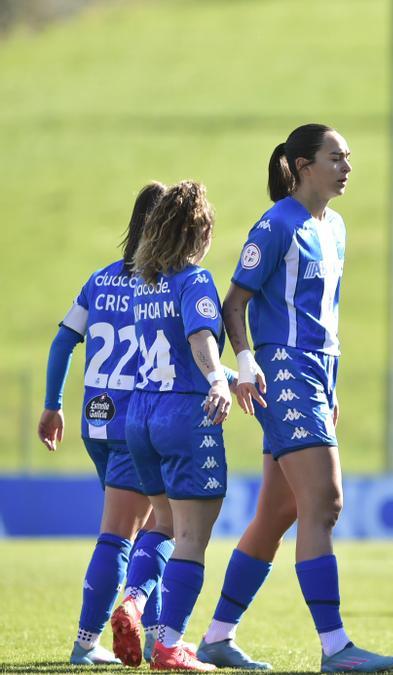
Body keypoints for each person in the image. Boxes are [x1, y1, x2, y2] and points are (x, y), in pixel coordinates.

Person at [198, 123, 393, 673]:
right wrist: (243, 366)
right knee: (325, 502)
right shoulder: (277, 223)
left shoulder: (334, 227)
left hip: (318, 374)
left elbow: (327, 317)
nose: (347, 166)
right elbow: (232, 302)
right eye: (336, 157)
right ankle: (335, 647)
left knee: (279, 510)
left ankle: (217, 636)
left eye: (349, 157)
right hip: (283, 370)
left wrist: (331, 387)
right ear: (303, 165)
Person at [38, 182, 171, 667]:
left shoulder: (99, 280)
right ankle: (86, 641)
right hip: (137, 424)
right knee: (128, 533)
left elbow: (60, 343)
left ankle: (156, 638)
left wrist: (53, 405)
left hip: (96, 422)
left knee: (146, 528)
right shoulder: (161, 286)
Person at [121, 180, 231, 671]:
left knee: (162, 523)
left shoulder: (147, 285)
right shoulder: (194, 281)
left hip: (140, 415)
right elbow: (200, 337)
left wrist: (232, 376)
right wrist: (219, 381)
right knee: (192, 537)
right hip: (186, 416)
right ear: (200, 232)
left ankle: (133, 601)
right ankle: (168, 645)